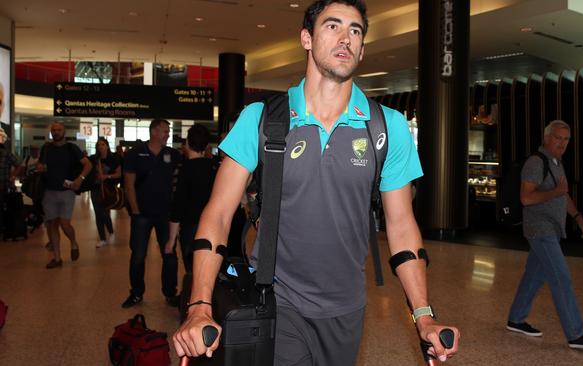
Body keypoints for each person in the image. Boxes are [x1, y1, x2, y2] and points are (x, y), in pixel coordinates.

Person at [173, 1, 460, 365]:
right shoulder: (261, 119)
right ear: (306, 38)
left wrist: (424, 315)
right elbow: (217, 214)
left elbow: (402, 225)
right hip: (278, 301)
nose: (346, 38)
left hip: (348, 308)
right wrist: (199, 304)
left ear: (363, 47)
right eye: (333, 26)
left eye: (355, 31)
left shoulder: (386, 127)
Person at [506, 120, 583, 349]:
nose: (562, 143)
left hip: (552, 228)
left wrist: (578, 217)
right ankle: (576, 334)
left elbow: (563, 195)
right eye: (558, 138)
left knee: (534, 276)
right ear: (547, 138)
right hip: (540, 230)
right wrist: (556, 192)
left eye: (566, 139)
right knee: (561, 278)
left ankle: (516, 319)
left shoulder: (556, 162)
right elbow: (526, 198)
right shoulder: (535, 162)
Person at [121, 119, 182, 308]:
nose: (168, 134)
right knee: (138, 256)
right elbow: (129, 185)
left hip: (166, 215)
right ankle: (137, 293)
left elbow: (180, 181)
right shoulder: (134, 154)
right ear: (154, 132)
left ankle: (170, 293)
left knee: (170, 255)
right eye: (165, 131)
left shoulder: (172, 154)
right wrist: (136, 211)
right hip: (142, 215)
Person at [36, 122, 92, 268]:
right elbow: (40, 165)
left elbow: (88, 165)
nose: (56, 132)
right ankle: (57, 258)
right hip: (49, 191)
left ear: (64, 132)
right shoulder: (46, 148)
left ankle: (73, 242)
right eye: (53, 130)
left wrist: (80, 179)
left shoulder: (71, 148)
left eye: (59, 130)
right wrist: (40, 167)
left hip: (67, 191)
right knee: (53, 224)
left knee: (65, 224)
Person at [165, 124, 218, 273]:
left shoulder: (184, 170)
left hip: (190, 230)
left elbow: (178, 206)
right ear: (207, 145)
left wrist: (171, 239)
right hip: (212, 228)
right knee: (209, 271)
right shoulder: (215, 168)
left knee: (192, 271)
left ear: (187, 143)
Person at [89, 137, 121, 248]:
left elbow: (119, 174)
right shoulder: (94, 159)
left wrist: (107, 176)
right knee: (98, 213)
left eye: (102, 144)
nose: (100, 147)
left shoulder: (113, 159)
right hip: (95, 188)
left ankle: (111, 231)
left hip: (108, 189)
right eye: (98, 145)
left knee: (104, 212)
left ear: (107, 146)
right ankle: (102, 238)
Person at [0, 126, 22, 240]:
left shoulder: (6, 153)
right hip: (4, 185)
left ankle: (6, 230)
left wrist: (12, 176)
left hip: (4, 187)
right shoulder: (6, 153)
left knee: (6, 210)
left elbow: (19, 165)